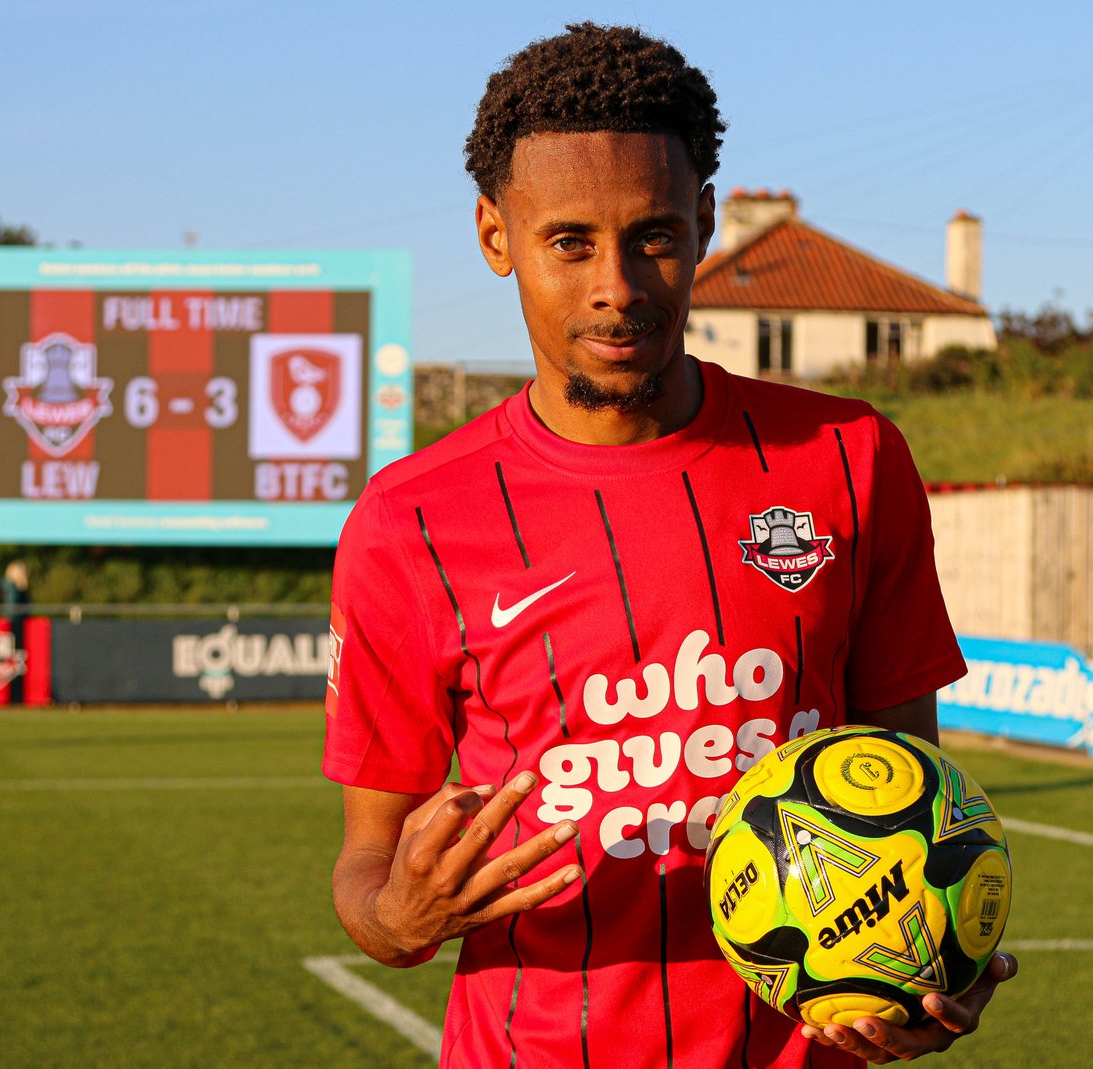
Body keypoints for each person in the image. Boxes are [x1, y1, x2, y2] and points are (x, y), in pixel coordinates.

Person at [323, 22, 1016, 1068]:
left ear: (701, 225)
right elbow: (366, 867)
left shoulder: (849, 455)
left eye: (652, 235)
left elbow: (910, 784)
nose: (617, 285)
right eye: (568, 242)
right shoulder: (409, 519)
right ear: (494, 235)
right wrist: (399, 916)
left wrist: (922, 978)